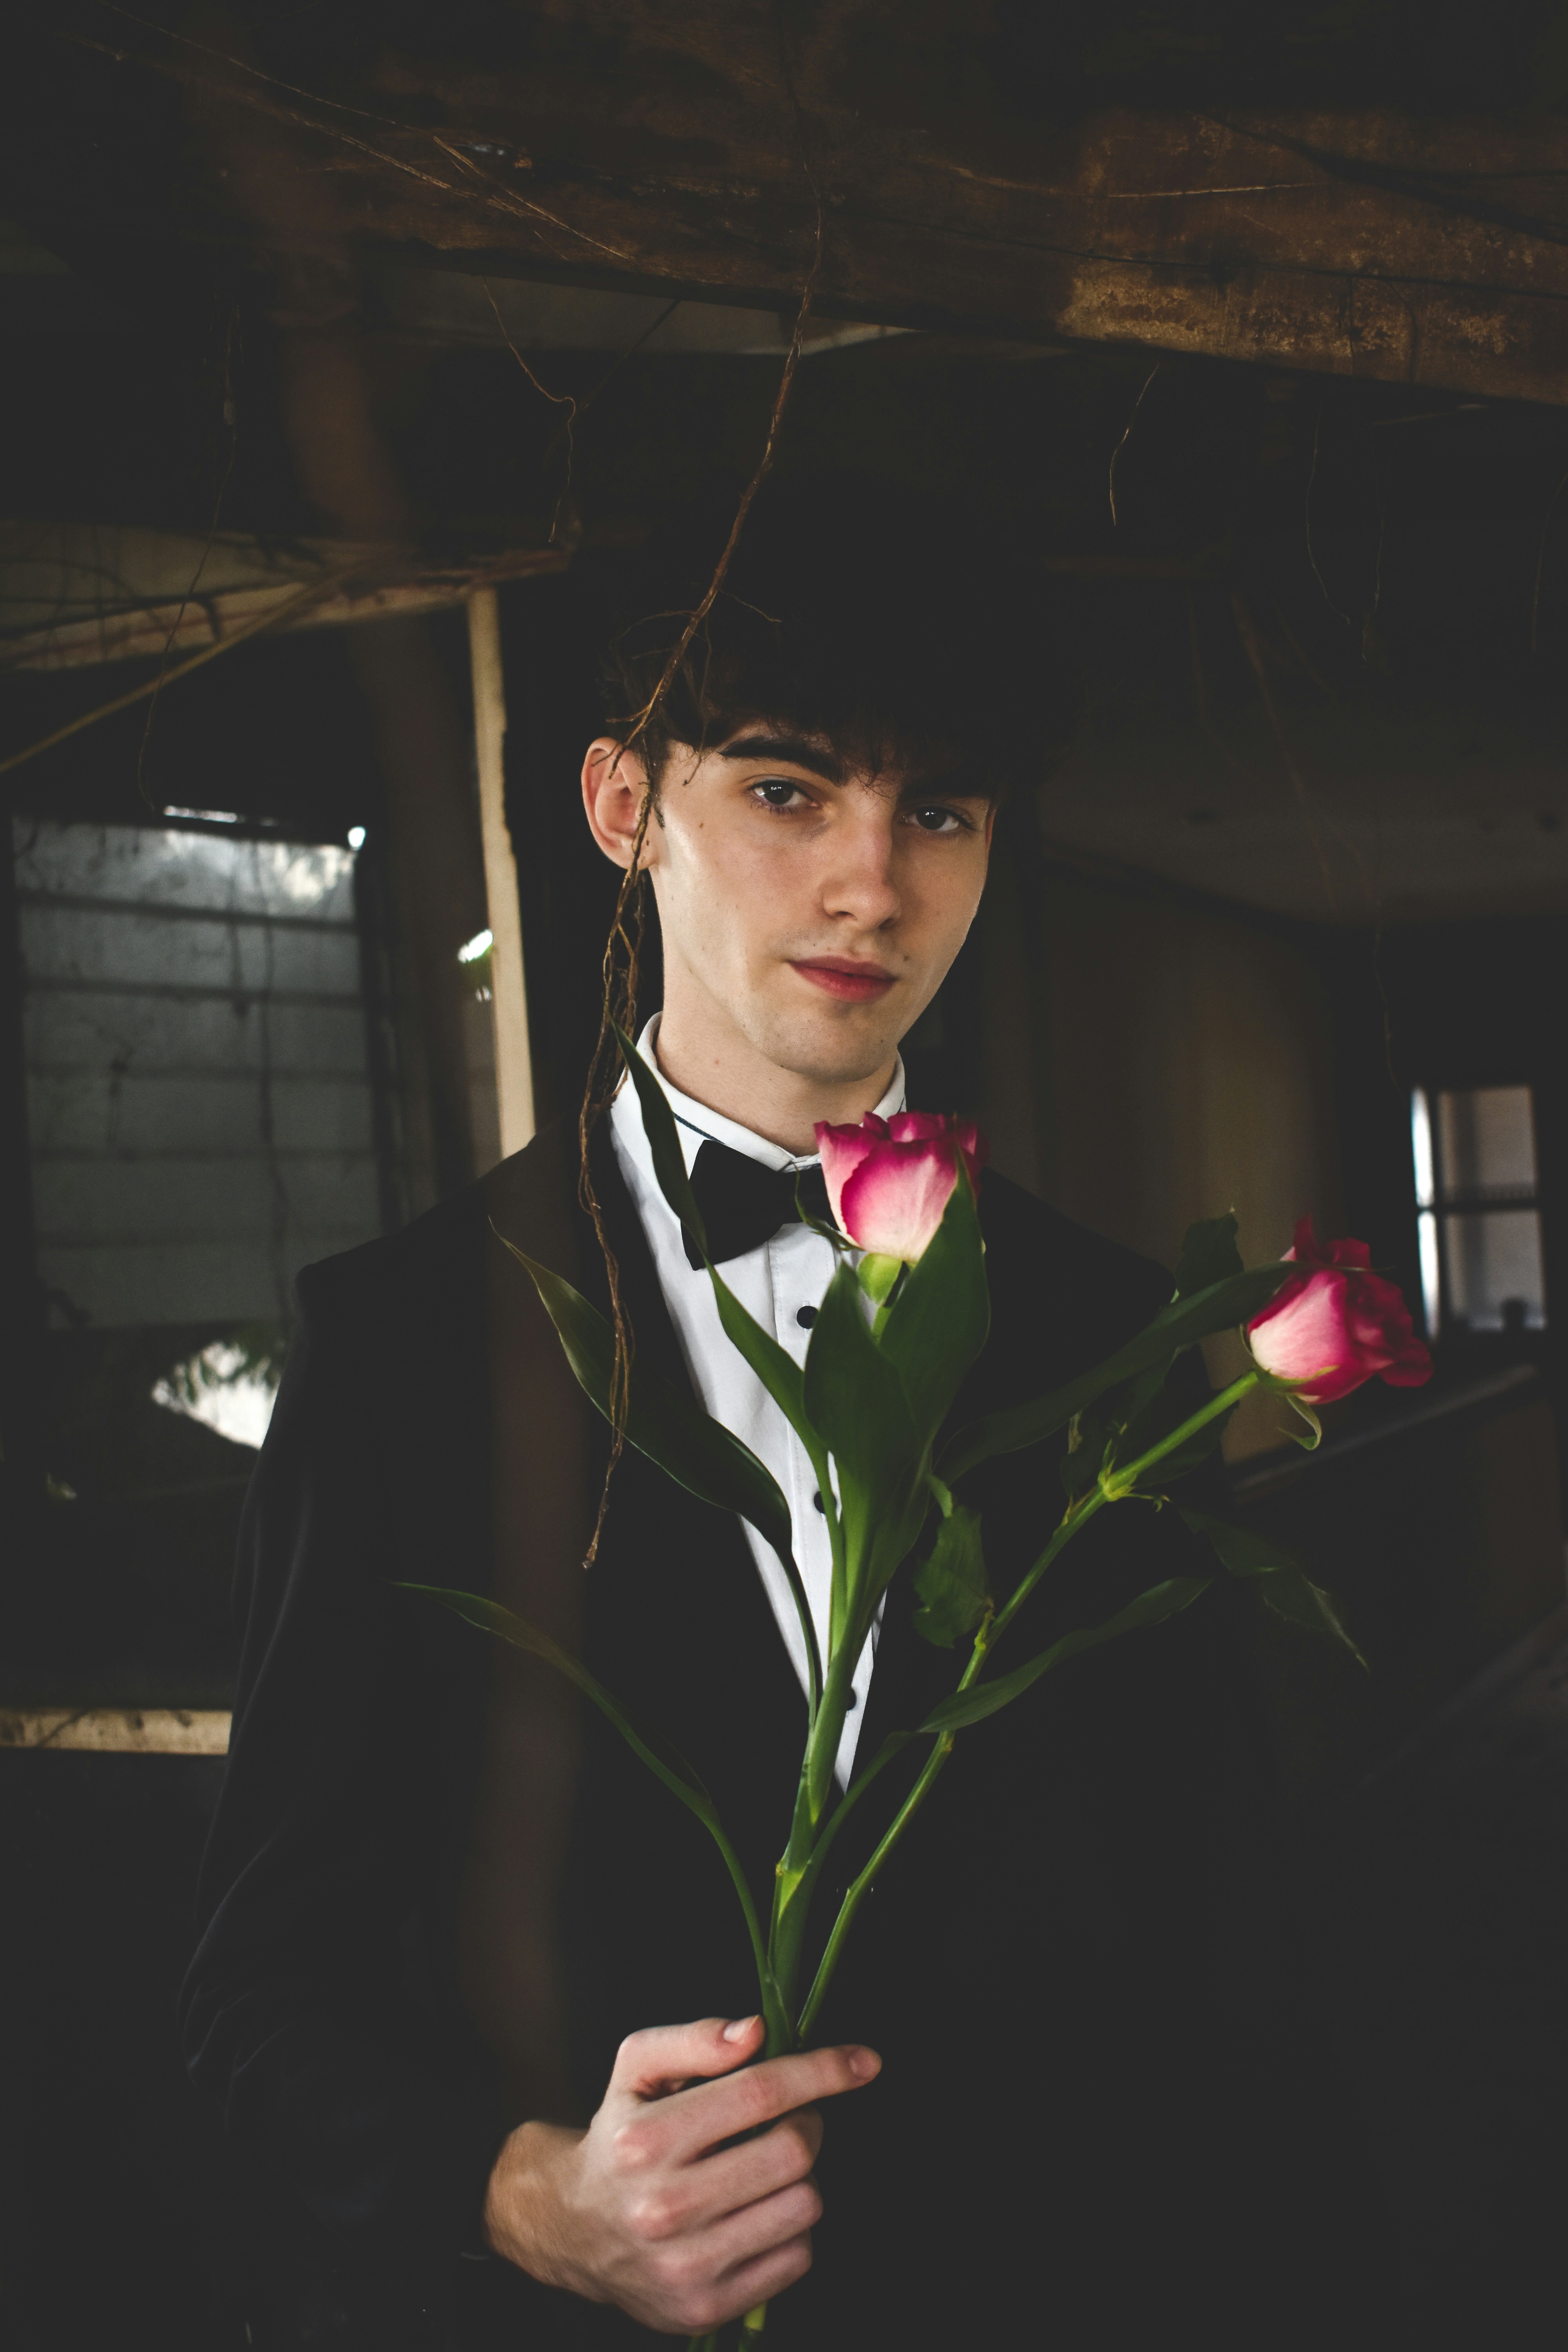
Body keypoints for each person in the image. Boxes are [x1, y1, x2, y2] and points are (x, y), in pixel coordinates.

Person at [181, 484, 1330, 2348]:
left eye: (937, 813)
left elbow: (1232, 1955)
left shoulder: (1116, 1332)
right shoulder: (396, 1344)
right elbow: (260, 2001)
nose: (872, 884)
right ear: (624, 807)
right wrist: (524, 2199)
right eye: (788, 791)